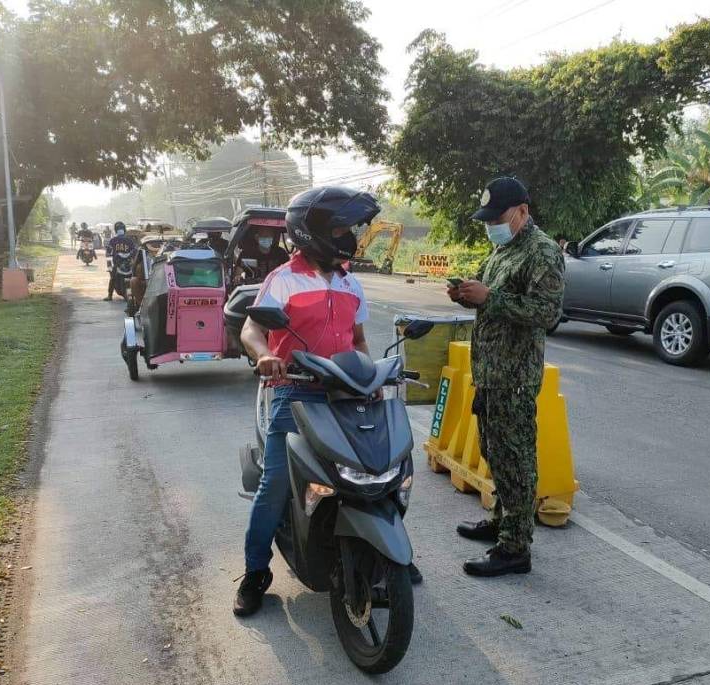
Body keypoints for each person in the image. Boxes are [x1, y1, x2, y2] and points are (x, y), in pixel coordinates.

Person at [233, 185, 422, 617]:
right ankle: (256, 572)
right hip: (295, 390)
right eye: (339, 228)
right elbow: (250, 330)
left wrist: (371, 375)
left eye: (348, 228)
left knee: (383, 469)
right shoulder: (283, 279)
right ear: (312, 232)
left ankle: (385, 550)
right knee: (275, 483)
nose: (347, 237)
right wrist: (265, 357)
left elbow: (357, 340)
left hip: (345, 391)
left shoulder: (351, 281)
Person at [447, 176, 565, 577]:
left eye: (496, 217)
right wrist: (466, 294)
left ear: (522, 212)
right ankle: (502, 522)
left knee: (516, 460)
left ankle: (516, 548)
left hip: (514, 377)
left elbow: (547, 314)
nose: (490, 225)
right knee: (496, 453)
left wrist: (490, 299)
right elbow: (487, 298)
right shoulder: (501, 250)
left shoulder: (542, 252)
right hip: (491, 373)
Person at [104, 221, 137, 302]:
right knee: (132, 276)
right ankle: (110, 295)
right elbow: (134, 250)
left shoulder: (113, 240)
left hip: (122, 263)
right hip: (125, 263)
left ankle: (109, 295)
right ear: (124, 230)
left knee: (112, 278)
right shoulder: (129, 240)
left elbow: (108, 251)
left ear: (116, 230)